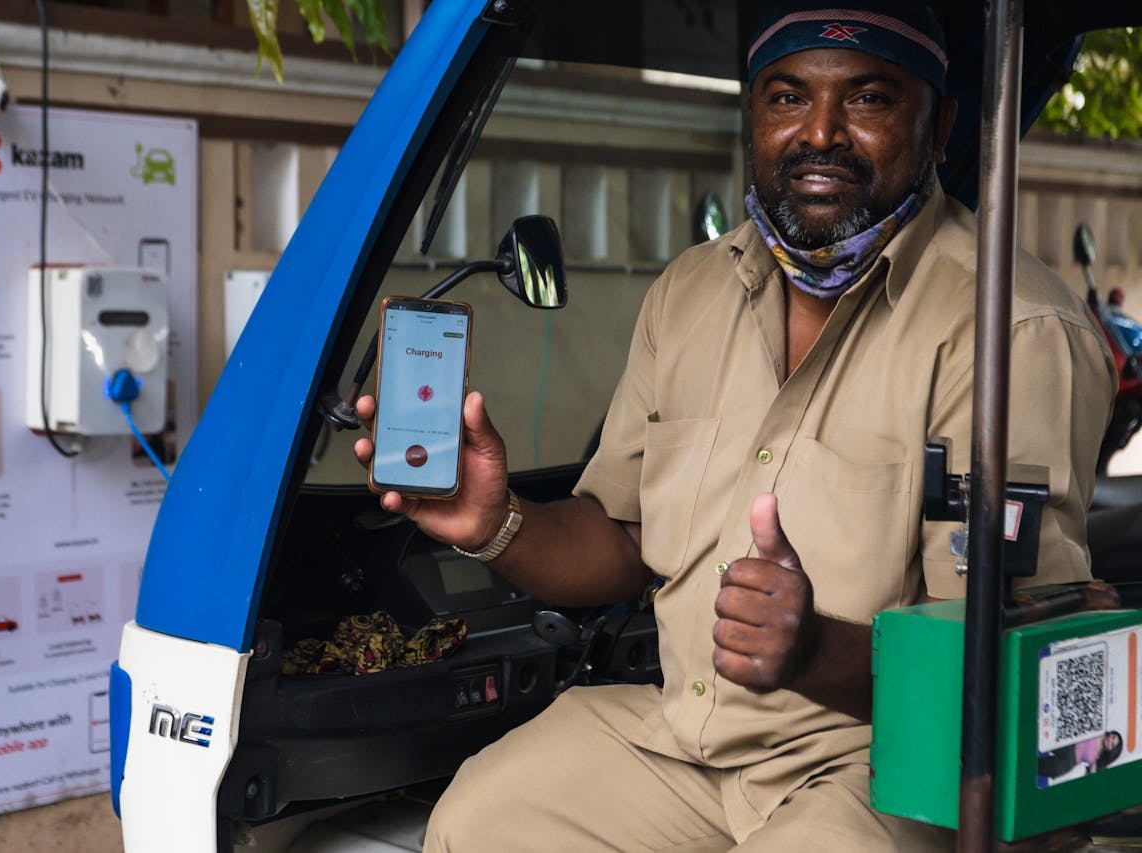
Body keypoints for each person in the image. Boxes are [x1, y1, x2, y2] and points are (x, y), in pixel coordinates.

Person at [355, 1, 1116, 848]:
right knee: (480, 817)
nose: (820, 133)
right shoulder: (691, 293)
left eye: (867, 100)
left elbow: (1007, 679)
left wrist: (813, 649)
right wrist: (495, 521)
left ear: (937, 126)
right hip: (688, 745)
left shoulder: (1011, 331)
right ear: (752, 117)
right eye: (788, 97)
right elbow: (620, 537)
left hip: (885, 766)